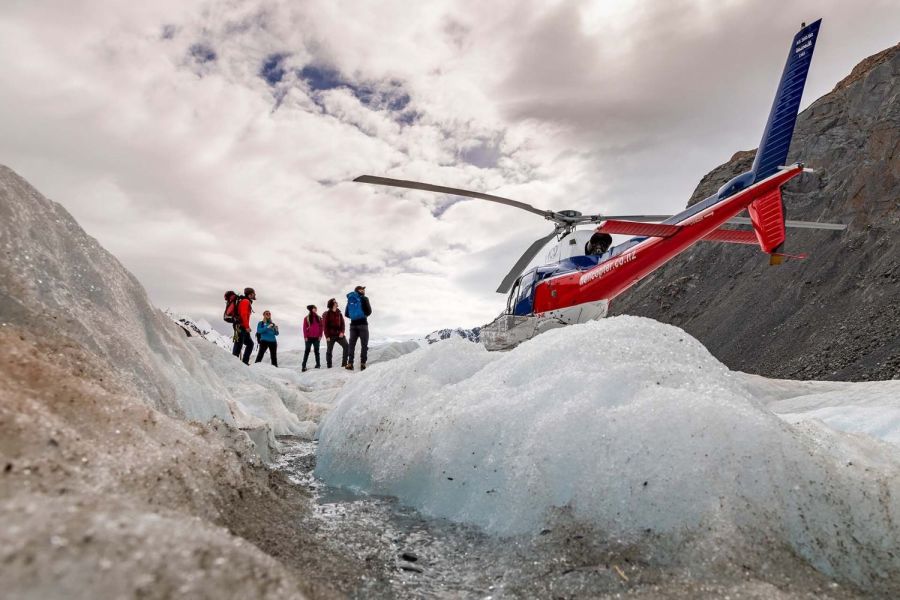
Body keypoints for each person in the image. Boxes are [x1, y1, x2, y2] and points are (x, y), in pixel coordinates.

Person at [344, 285, 372, 371]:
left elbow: (346, 314)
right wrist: (363, 316)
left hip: (353, 325)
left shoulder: (350, 299)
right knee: (364, 344)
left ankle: (350, 363)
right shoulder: (364, 298)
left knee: (351, 345)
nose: (363, 290)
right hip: (363, 324)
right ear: (359, 290)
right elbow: (369, 311)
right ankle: (363, 363)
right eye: (362, 289)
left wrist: (354, 317)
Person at [231, 287, 256, 364]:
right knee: (238, 345)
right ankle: (234, 364)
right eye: (254, 293)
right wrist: (247, 327)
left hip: (241, 326)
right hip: (241, 326)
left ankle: (244, 363)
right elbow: (243, 314)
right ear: (250, 294)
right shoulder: (245, 301)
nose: (255, 295)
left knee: (249, 344)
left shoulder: (245, 301)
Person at [323, 298, 348, 369]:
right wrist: (327, 336)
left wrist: (342, 332)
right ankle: (329, 366)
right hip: (330, 336)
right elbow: (325, 326)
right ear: (332, 304)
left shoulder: (339, 313)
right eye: (335, 302)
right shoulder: (327, 314)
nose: (337, 303)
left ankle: (344, 364)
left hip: (339, 335)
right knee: (329, 351)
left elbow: (343, 324)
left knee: (346, 346)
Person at [302, 304, 323, 372]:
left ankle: (318, 365)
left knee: (317, 352)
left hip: (317, 338)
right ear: (311, 309)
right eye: (314, 308)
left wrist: (320, 335)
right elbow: (304, 328)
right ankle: (303, 366)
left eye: (316, 308)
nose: (316, 309)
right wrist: (305, 336)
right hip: (308, 338)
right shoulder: (306, 318)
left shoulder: (319, 318)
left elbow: (321, 327)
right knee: (307, 351)